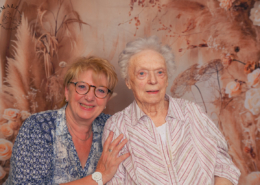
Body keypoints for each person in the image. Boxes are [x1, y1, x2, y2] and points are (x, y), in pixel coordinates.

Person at [102, 36, 241, 185]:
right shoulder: (117, 127)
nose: (153, 80)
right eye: (142, 73)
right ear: (129, 81)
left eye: (160, 72)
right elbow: (114, 181)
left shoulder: (191, 112)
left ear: (167, 79)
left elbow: (223, 164)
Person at [5, 57, 130, 185]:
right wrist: (99, 177)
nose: (90, 97)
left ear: (107, 99)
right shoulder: (39, 127)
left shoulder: (112, 127)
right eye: (82, 87)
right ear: (66, 92)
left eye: (100, 90)